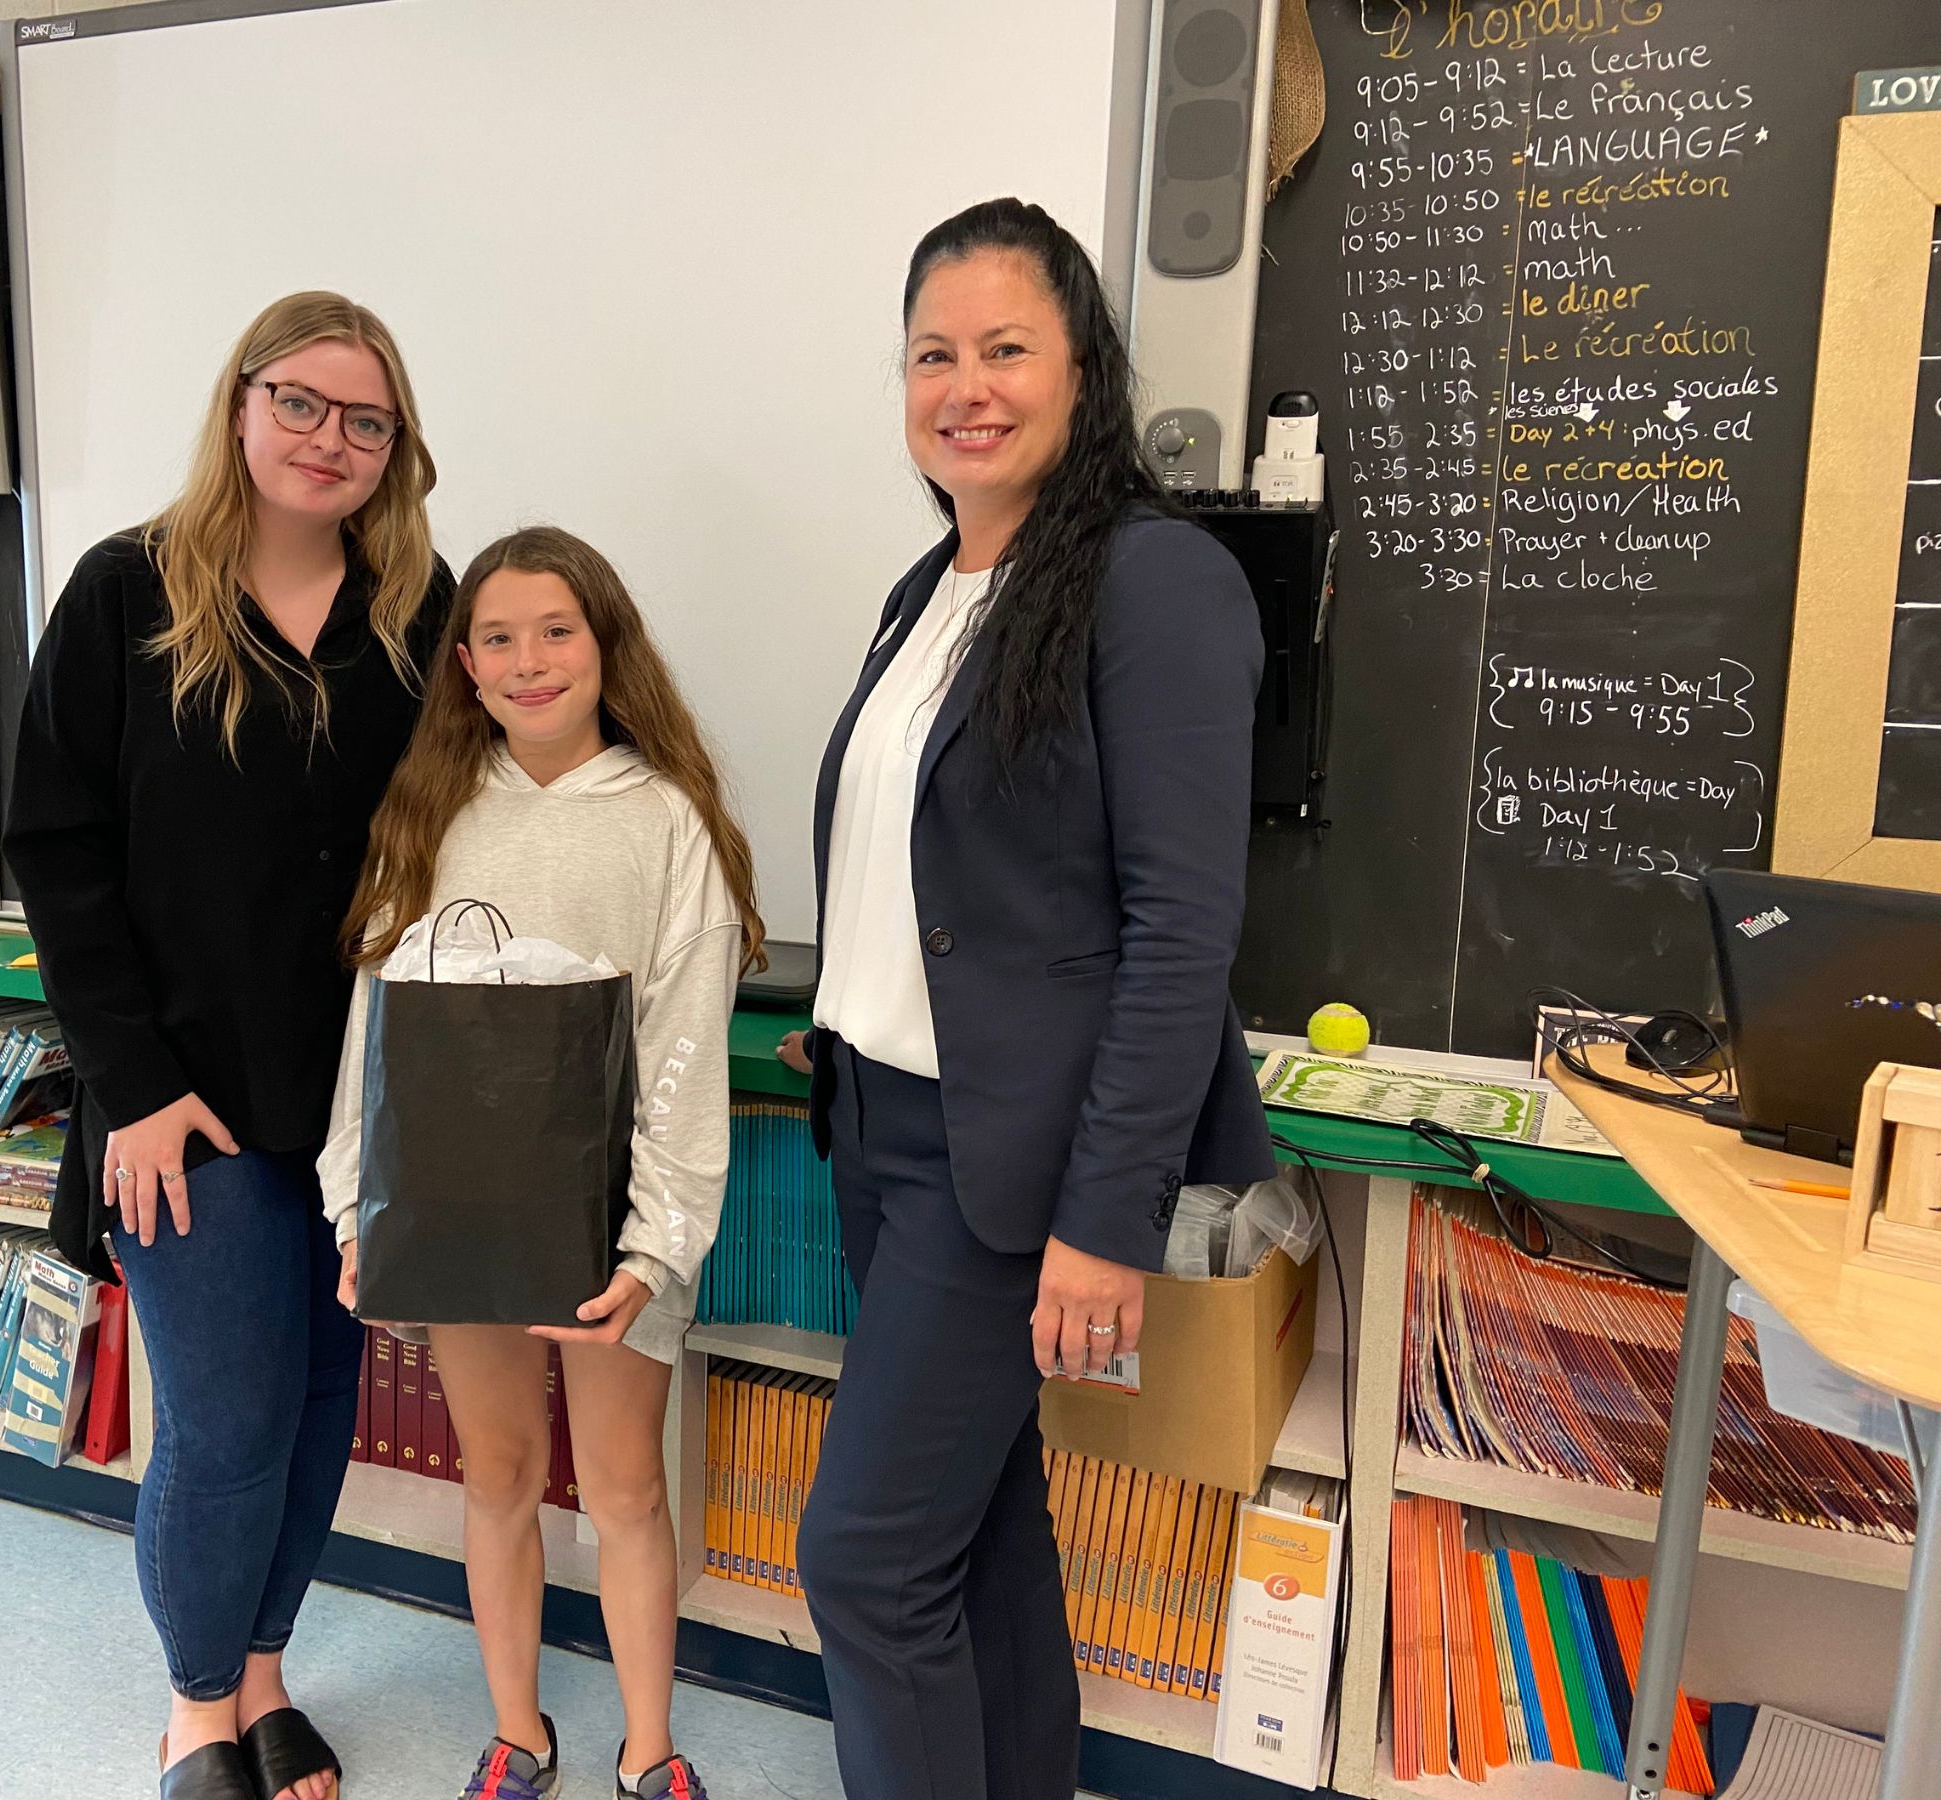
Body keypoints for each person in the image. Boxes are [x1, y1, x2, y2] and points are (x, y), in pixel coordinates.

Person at [778, 198, 1275, 1800]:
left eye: (1006, 348)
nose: (965, 386)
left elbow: (1181, 933)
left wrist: (1105, 1218)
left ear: (1082, 372)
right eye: (934, 354)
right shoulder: (927, 591)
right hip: (877, 1132)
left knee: (863, 1560)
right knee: (979, 1538)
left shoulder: (1154, 581)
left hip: (1007, 1173)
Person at [5, 291, 455, 1800]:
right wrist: (129, 1089)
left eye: (366, 418)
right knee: (225, 1415)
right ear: (242, 404)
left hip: (357, 1107)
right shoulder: (125, 593)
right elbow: (57, 855)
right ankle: (198, 1705)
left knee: (329, 1398)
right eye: (303, 403)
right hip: (179, 1104)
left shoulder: (418, 610)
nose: (331, 439)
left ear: (398, 449)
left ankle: (269, 1673)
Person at [319, 525, 764, 1800]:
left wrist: (653, 1246)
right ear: (464, 665)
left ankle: (649, 1747)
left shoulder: (665, 822)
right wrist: (361, 1207)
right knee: (500, 1472)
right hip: (461, 1218)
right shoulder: (431, 813)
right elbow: (378, 1032)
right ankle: (519, 1731)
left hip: (613, 1233)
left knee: (625, 1489)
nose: (529, 662)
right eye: (498, 638)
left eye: (556, 631)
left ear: (605, 643)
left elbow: (683, 1044)